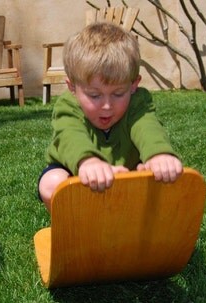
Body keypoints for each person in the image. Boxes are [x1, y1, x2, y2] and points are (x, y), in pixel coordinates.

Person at [38, 21, 183, 212]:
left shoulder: (138, 102)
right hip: (77, 173)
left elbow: (147, 127)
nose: (107, 106)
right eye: (94, 95)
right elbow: (70, 135)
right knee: (50, 182)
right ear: (72, 86)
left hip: (127, 172)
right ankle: (74, 227)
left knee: (161, 176)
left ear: (133, 85)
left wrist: (158, 155)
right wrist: (88, 162)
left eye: (118, 94)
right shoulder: (67, 105)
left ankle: (137, 225)